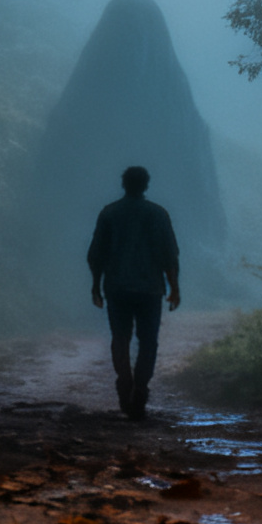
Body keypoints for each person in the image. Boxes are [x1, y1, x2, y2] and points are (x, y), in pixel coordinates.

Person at [87, 165, 180, 419]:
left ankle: (124, 381)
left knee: (120, 336)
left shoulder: (109, 214)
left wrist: (96, 286)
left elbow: (96, 255)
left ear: (123, 184)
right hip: (150, 289)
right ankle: (140, 388)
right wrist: (174, 287)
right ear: (146, 185)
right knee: (148, 340)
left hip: (116, 287)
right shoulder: (158, 214)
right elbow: (169, 254)